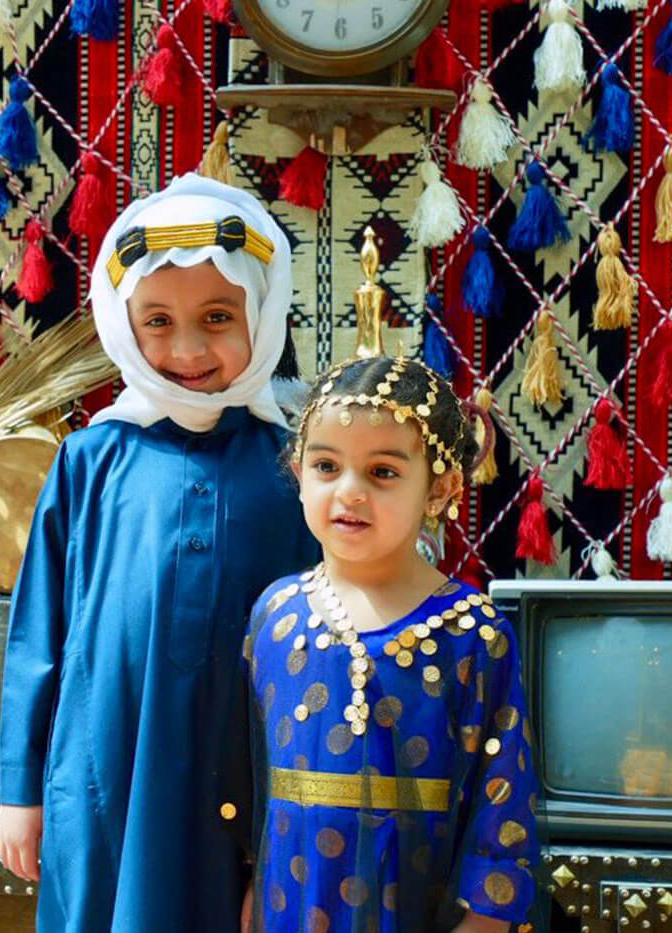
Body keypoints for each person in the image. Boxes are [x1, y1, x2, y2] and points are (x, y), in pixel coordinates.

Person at [0, 174, 320, 931]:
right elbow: (37, 634)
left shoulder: (299, 466)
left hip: (250, 776)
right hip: (104, 769)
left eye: (217, 317)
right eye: (159, 321)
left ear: (262, 313)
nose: (188, 349)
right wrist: (20, 790)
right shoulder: (89, 461)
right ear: (123, 324)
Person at [246, 355, 538, 933]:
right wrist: (252, 887)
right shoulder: (275, 618)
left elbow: (503, 792)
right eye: (326, 466)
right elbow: (249, 777)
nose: (349, 492)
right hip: (290, 903)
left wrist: (488, 918)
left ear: (441, 488)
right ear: (298, 472)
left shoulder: (473, 632)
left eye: (382, 472)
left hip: (417, 904)